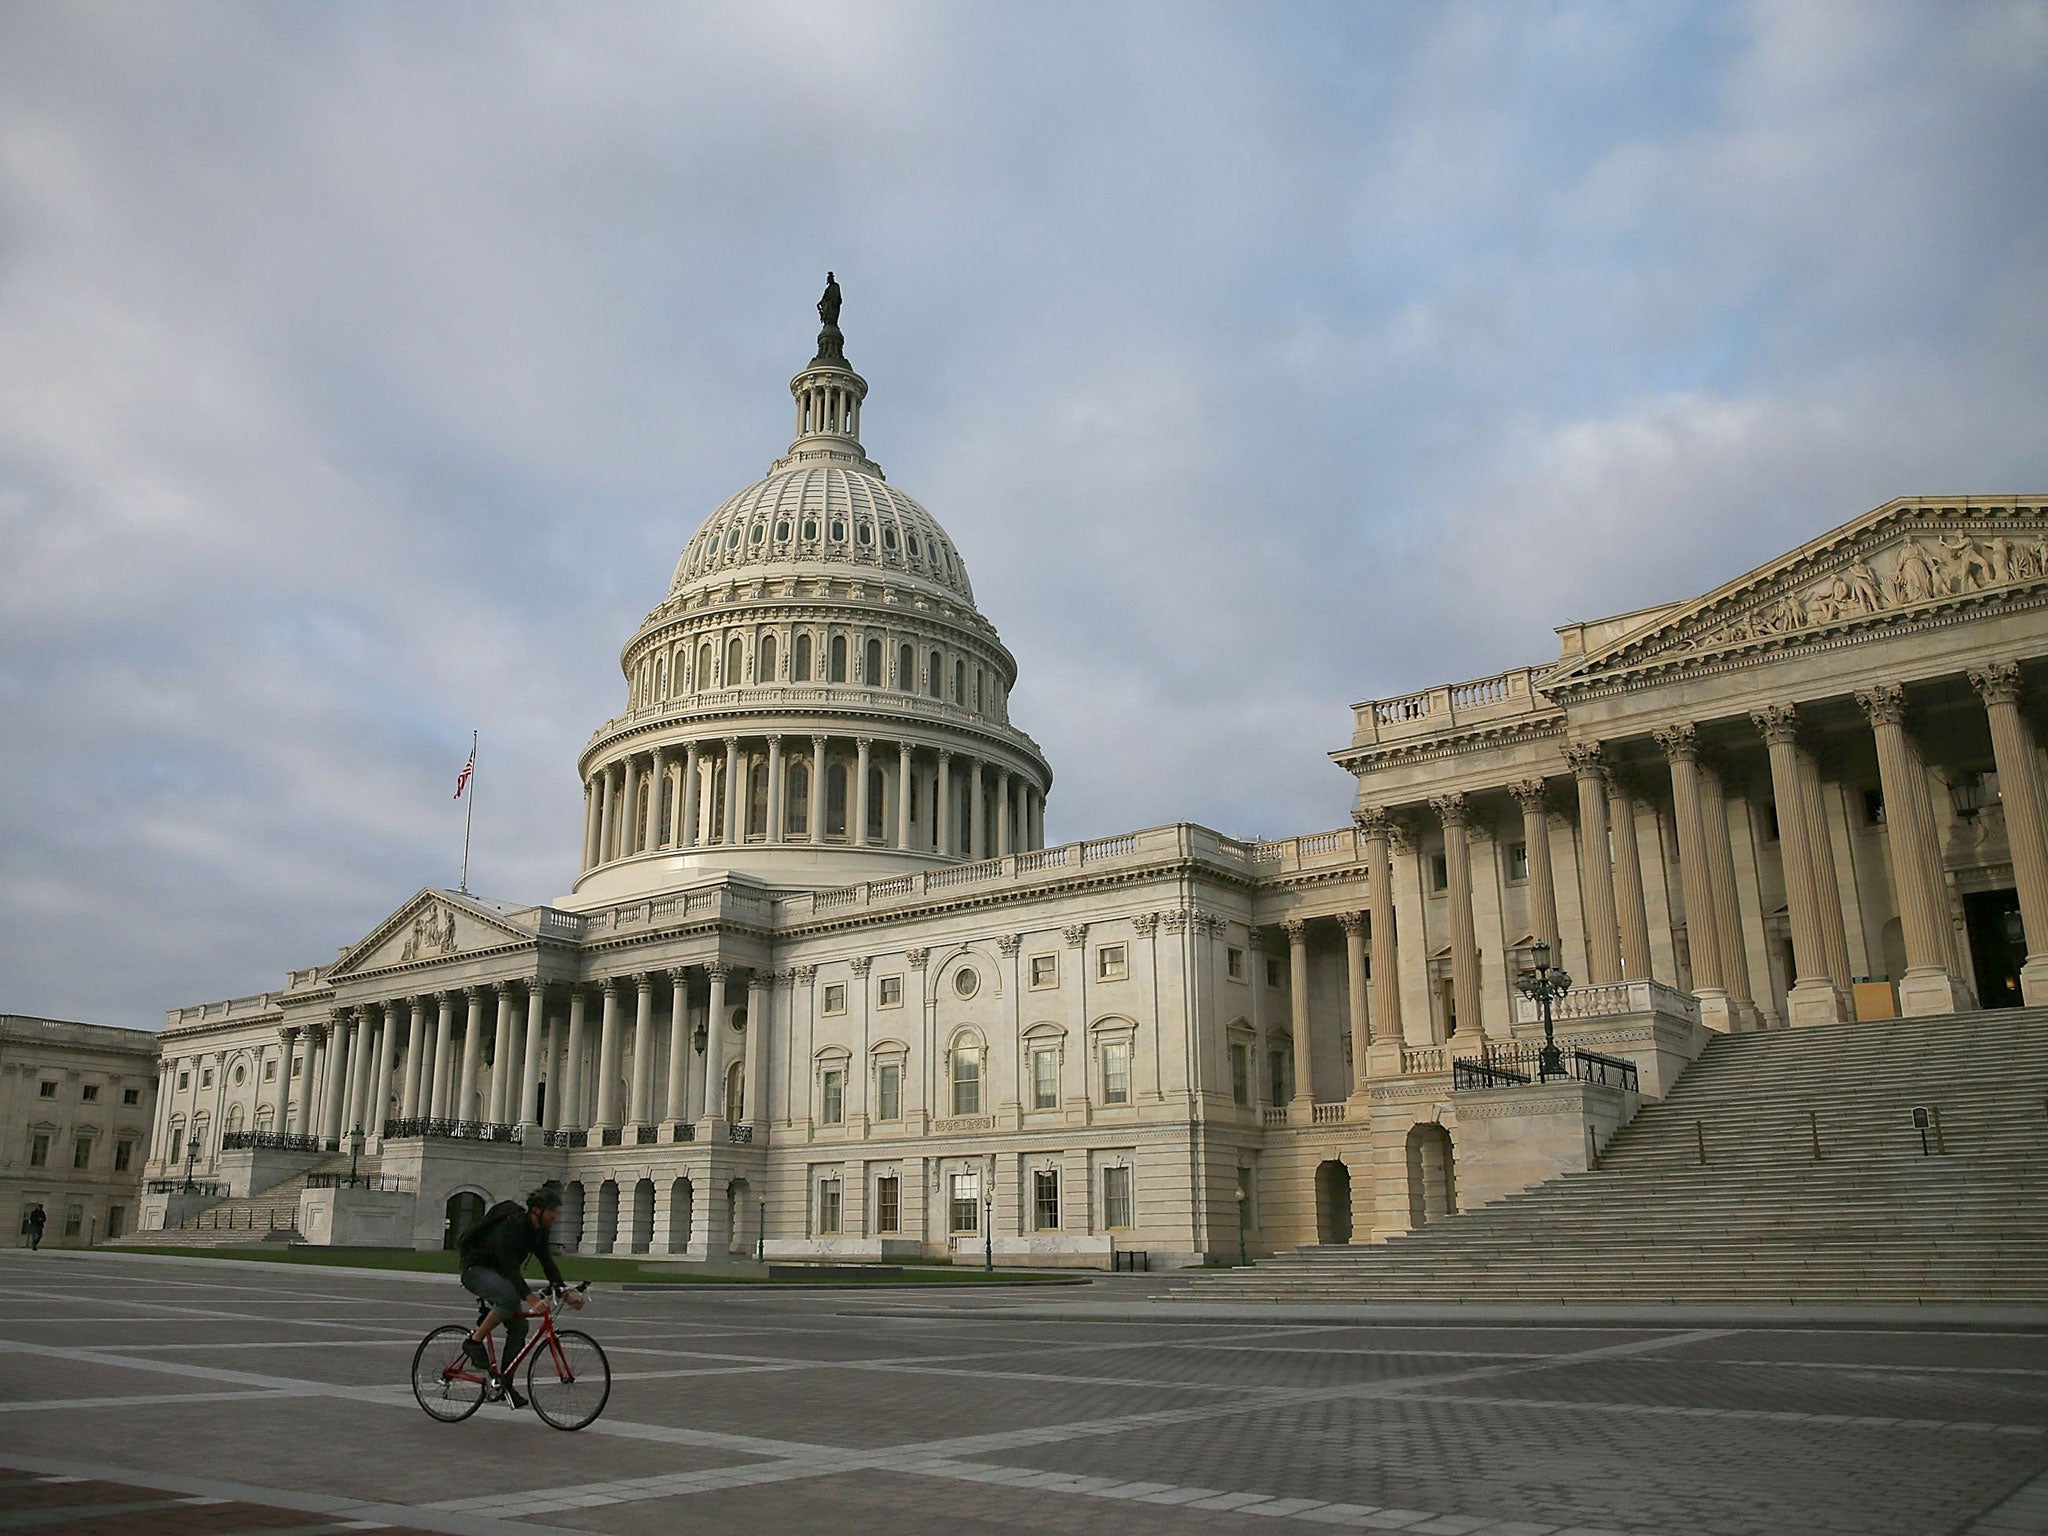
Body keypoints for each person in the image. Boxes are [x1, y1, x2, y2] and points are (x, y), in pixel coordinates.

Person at [456, 1183, 581, 1408]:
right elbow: (510, 1268)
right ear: (537, 1211)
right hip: (476, 1270)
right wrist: (531, 1299)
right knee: (508, 1299)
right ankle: (473, 1342)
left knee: (520, 1327)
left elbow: (548, 1264)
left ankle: (504, 1383)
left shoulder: (539, 1232)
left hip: (500, 1275)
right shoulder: (513, 1227)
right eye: (552, 1210)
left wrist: (564, 1292)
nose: (555, 1215)